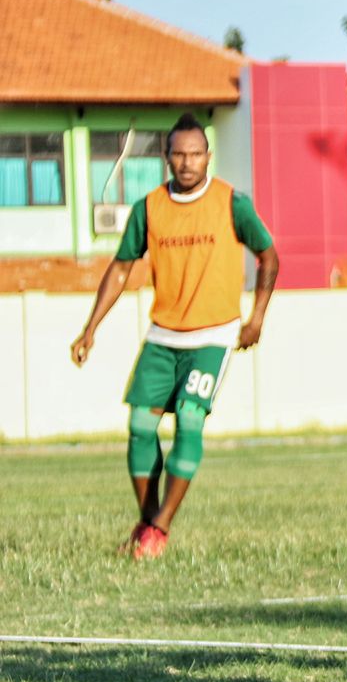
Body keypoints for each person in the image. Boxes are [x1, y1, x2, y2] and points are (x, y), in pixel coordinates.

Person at [71, 113, 278, 560]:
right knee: (140, 425)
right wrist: (90, 329)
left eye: (196, 154)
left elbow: (268, 255)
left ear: (208, 157)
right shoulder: (149, 208)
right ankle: (147, 519)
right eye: (179, 154)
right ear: (166, 158)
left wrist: (256, 317)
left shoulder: (231, 203)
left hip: (214, 334)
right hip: (163, 335)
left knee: (188, 417)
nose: (188, 162)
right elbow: (122, 268)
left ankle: (159, 529)